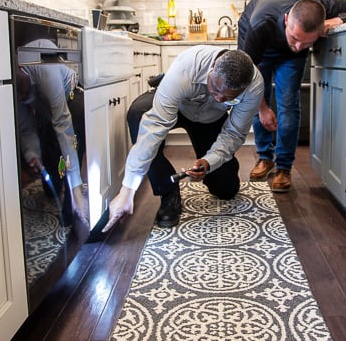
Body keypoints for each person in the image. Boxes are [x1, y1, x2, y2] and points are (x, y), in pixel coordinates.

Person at [237, 0, 346, 192]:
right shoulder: (260, 23)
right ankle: (264, 157)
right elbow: (248, 76)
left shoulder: (324, 4)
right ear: (287, 20)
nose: (298, 46)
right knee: (259, 100)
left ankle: (284, 168)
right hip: (258, 44)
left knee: (288, 102)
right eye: (295, 38)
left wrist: (341, 20)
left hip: (287, 57)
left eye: (307, 42)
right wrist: (262, 109)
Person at [103, 47, 263, 232]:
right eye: (216, 89)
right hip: (178, 106)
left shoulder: (254, 87)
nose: (219, 99)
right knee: (138, 115)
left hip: (210, 119)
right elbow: (154, 127)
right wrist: (127, 190)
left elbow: (234, 133)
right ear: (212, 68)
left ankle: (217, 174)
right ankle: (168, 191)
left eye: (229, 99)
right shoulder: (185, 69)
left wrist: (209, 162)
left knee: (226, 189)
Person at [16, 39, 90, 225]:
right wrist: (32, 154)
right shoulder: (16, 90)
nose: (20, 97)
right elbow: (26, 128)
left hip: (72, 97)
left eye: (23, 93)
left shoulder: (41, 60)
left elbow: (63, 125)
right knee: (51, 190)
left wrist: (74, 189)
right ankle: (62, 185)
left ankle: (74, 198)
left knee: (72, 138)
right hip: (47, 113)